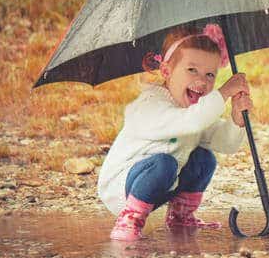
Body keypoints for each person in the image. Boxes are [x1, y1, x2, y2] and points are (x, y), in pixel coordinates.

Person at [97, 23, 251, 241]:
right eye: (192, 70)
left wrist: (237, 120)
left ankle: (180, 215)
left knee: (204, 158)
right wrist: (224, 92)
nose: (202, 81)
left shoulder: (193, 111)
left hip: (163, 185)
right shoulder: (150, 105)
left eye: (210, 74)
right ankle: (129, 219)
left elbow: (225, 143)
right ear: (167, 71)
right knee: (164, 164)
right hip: (124, 188)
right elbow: (192, 122)